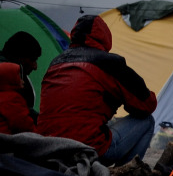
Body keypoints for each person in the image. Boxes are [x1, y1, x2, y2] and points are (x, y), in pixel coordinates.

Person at [37, 15, 157, 166]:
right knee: (146, 120)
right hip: (87, 149)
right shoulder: (109, 63)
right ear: (105, 37)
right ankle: (126, 172)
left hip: (48, 149)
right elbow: (148, 104)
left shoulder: (56, 63)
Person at [1, 31, 42, 114]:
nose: (35, 67)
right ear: (19, 57)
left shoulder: (21, 78)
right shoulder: (10, 83)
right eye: (33, 60)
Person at [0, 62, 35, 134]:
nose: (22, 81)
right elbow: (24, 126)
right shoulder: (11, 99)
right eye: (18, 76)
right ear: (10, 78)